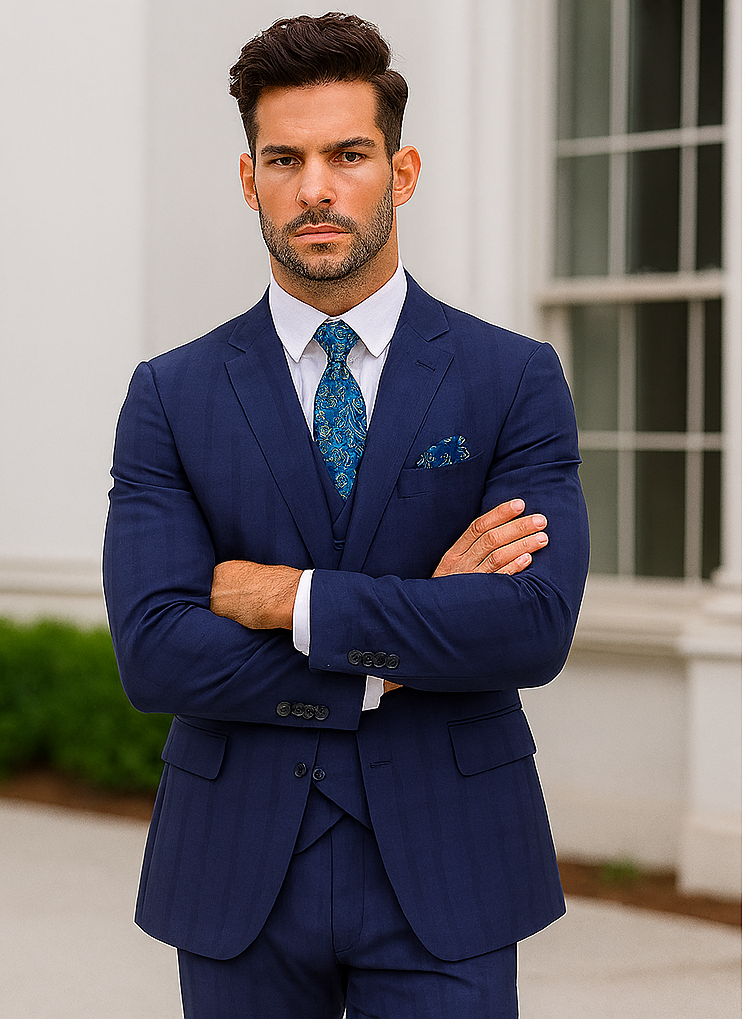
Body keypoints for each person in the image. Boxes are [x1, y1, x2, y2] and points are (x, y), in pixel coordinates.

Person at [103, 12, 589, 1018]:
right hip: (235, 864)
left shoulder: (511, 378)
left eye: (347, 155)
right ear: (250, 181)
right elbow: (155, 651)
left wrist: (291, 600)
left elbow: (530, 626)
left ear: (400, 172)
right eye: (284, 159)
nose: (314, 188)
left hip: (451, 858)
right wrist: (405, 642)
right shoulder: (170, 393)